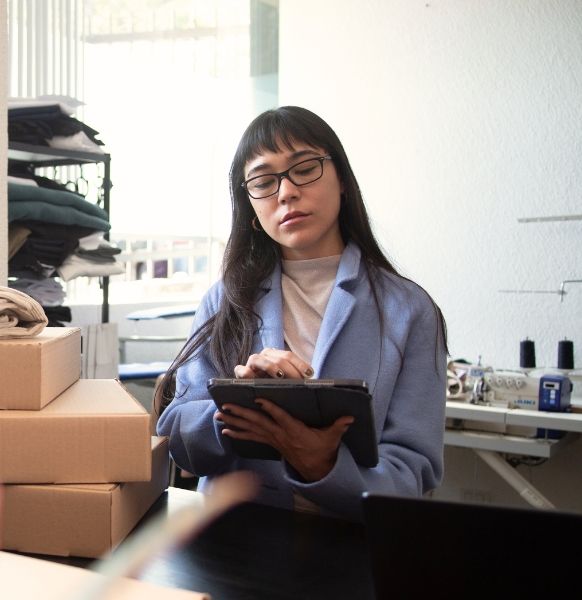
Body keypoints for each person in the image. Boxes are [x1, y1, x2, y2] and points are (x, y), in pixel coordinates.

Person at [156, 106, 448, 521]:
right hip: (232, 540)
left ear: (343, 180)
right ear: (251, 208)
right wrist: (237, 409)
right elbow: (179, 438)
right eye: (263, 181)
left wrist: (323, 466)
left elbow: (413, 474)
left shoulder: (410, 310)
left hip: (350, 546)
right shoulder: (224, 301)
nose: (286, 192)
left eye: (305, 169)